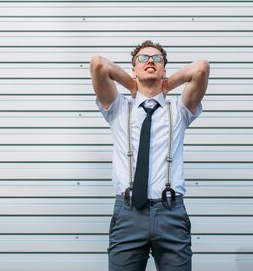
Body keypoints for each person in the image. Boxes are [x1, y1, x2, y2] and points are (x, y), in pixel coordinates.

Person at [90, 40, 210, 271]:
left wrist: (166, 85)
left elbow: (201, 67)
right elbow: (98, 64)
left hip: (171, 213)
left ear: (164, 68)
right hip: (128, 214)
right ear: (133, 69)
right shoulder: (118, 108)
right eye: (143, 59)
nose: (150, 62)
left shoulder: (179, 110)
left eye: (157, 59)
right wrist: (132, 84)